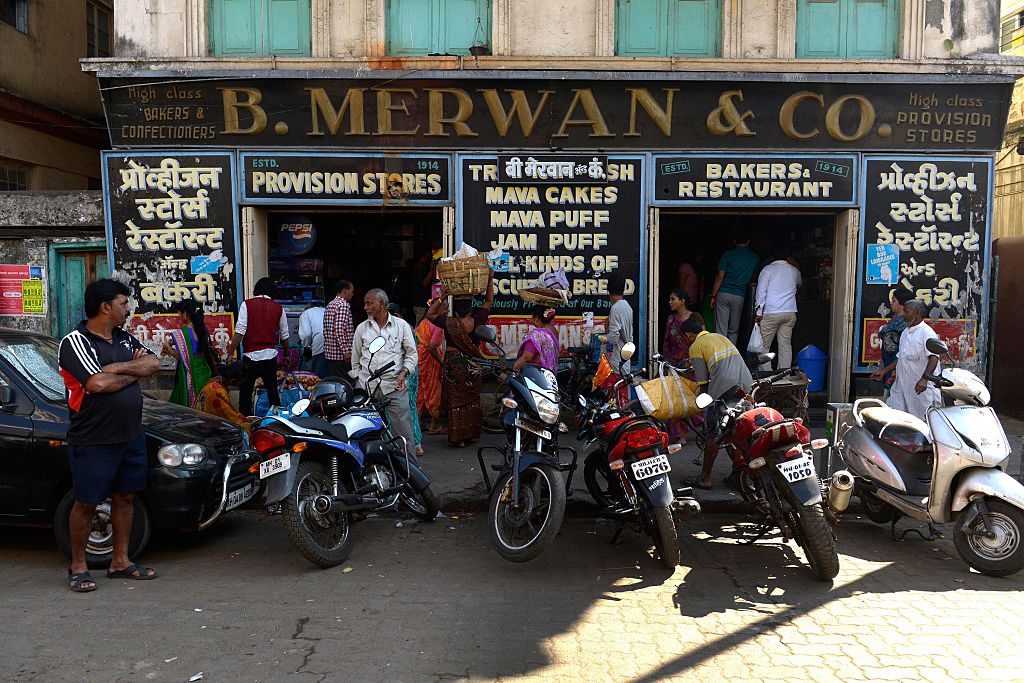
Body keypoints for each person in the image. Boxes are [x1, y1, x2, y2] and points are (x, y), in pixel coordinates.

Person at [58, 279, 161, 592]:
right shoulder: (75, 341)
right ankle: (78, 567)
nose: (128, 309)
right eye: (124, 303)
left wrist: (114, 368)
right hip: (93, 439)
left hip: (130, 435)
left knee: (125, 497)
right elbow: (96, 385)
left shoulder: (123, 338)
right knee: (87, 503)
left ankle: (121, 561)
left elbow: (154, 362)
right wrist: (133, 371)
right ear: (105, 307)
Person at [681, 317, 753, 490]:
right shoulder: (720, 337)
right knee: (738, 430)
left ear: (689, 335)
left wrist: (702, 405)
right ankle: (740, 474)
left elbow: (703, 382)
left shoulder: (695, 347)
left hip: (724, 390)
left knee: (715, 433)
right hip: (746, 386)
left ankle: (705, 478)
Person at [425, 270, 495, 447]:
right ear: (471, 307)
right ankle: (470, 433)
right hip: (473, 366)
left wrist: (442, 296)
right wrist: (490, 280)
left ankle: (459, 438)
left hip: (454, 365)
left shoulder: (449, 322)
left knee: (456, 402)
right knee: (471, 400)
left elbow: (430, 315)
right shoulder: (478, 318)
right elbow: (488, 300)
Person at [351, 289, 418, 454]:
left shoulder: (401, 326)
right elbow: (355, 359)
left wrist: (404, 373)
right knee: (368, 434)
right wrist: (359, 383)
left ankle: (410, 472)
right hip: (368, 388)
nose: (365, 307)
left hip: (394, 386)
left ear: (381, 304)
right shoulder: (362, 328)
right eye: (365, 303)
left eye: (369, 303)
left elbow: (412, 354)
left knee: (403, 435)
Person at [224, 277, 290, 417]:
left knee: (246, 392)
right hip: (270, 356)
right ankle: (277, 420)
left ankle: (245, 421)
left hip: (251, 356)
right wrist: (286, 354)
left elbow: (240, 331)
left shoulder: (247, 305)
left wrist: (230, 353)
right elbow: (284, 335)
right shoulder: (278, 308)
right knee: (273, 392)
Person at [880, 300, 942, 421]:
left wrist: (924, 380)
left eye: (906, 311)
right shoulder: (905, 332)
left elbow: (934, 357)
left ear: (917, 314)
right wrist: (883, 371)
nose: (902, 314)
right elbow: (900, 358)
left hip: (920, 392)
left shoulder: (926, 332)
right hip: (901, 388)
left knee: (923, 424)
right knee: (896, 422)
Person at [662, 289, 704, 444]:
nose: (670, 302)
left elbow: (702, 341)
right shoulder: (671, 319)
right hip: (675, 365)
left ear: (682, 301)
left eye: (673, 299)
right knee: (676, 400)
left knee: (696, 399)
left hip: (692, 365)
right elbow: (667, 342)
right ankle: (681, 436)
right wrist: (666, 362)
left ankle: (707, 431)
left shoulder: (695, 317)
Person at [753, 244, 802, 370]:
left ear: (772, 257)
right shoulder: (794, 270)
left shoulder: (768, 270)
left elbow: (761, 292)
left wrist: (758, 312)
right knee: (785, 346)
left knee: (763, 348)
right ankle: (783, 377)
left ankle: (767, 379)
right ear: (787, 257)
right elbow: (799, 284)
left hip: (771, 313)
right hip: (789, 312)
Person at [163, 300, 219, 407]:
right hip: (203, 372)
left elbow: (181, 357)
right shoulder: (202, 329)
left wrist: (168, 347)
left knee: (190, 405)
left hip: (190, 374)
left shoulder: (183, 333)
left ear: (185, 314)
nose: (180, 317)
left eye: (179, 314)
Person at [388, 302, 424, 455]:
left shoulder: (400, 327)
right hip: (411, 372)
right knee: (410, 409)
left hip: (403, 373)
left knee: (400, 411)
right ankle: (415, 443)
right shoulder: (409, 327)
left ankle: (406, 444)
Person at [711, 231, 760, 344]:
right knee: (733, 330)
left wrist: (713, 295)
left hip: (724, 293)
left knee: (721, 328)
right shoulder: (754, 257)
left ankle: (720, 357)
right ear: (748, 241)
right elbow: (754, 275)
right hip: (740, 295)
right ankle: (731, 357)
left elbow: (720, 275)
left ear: (734, 241)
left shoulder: (727, 255)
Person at [870, 288, 916, 399]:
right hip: (888, 364)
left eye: (894, 301)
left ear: (902, 304)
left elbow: (902, 354)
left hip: (896, 367)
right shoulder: (895, 318)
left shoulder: (903, 323)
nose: (891, 303)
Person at [193, 362, 251, 432]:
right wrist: (246, 422)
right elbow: (230, 415)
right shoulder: (218, 391)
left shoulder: (216, 382)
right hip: (204, 428)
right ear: (233, 381)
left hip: (199, 421)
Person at [415, 309, 446, 436]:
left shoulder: (424, 322)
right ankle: (434, 425)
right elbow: (432, 347)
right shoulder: (439, 325)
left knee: (421, 391)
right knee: (433, 390)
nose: (448, 310)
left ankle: (418, 423)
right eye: (445, 308)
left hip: (419, 357)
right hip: (430, 359)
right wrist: (441, 362)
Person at [513, 305, 559, 372]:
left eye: (532, 316)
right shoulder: (553, 331)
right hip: (549, 375)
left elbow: (526, 357)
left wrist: (512, 371)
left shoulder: (536, 335)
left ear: (537, 318)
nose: (531, 319)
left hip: (535, 374)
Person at [323, 279, 355, 378]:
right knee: (345, 383)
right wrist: (346, 352)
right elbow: (339, 329)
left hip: (330, 353)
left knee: (336, 383)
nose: (353, 294)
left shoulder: (330, 304)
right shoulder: (343, 305)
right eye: (352, 291)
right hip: (340, 356)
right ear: (345, 291)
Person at [298, 302, 329, 378]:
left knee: (318, 378)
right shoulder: (326, 310)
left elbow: (306, 334)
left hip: (319, 344)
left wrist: (306, 347)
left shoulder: (306, 313)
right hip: (333, 345)